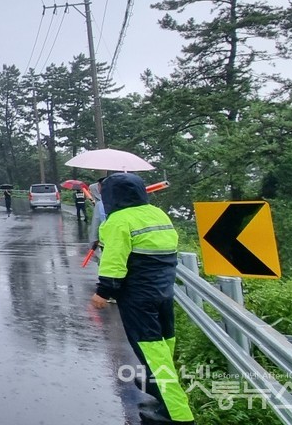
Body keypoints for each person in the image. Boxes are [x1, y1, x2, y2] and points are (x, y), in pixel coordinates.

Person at [91, 173, 194, 424]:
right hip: (164, 291)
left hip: (138, 296)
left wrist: (103, 292)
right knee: (163, 345)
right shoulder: (157, 213)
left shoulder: (119, 220)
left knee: (153, 353)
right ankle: (154, 384)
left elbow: (114, 263)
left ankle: (177, 414)